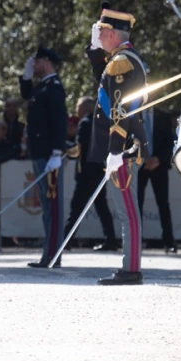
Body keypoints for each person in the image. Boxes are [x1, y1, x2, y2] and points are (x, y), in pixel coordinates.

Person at [86, 8, 148, 285]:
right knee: (126, 210)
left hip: (122, 149)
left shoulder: (121, 63)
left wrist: (114, 150)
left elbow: (121, 111)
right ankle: (129, 266)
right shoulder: (119, 59)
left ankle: (131, 269)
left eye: (100, 31)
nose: (97, 35)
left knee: (127, 212)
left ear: (111, 33)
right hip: (122, 147)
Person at [19, 46, 68, 268]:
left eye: (36, 62)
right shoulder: (43, 87)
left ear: (46, 61)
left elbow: (60, 122)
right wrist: (25, 77)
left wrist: (57, 152)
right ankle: (49, 254)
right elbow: (26, 95)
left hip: (50, 155)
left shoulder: (54, 88)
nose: (34, 65)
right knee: (47, 206)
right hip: (40, 153)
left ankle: (53, 255)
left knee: (53, 205)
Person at [63, 97, 119, 252]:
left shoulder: (84, 123)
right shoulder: (102, 122)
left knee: (76, 208)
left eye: (78, 107)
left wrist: (66, 150)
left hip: (86, 172)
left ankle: (65, 240)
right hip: (99, 170)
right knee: (102, 207)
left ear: (84, 109)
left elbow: (79, 148)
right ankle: (111, 239)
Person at [137, 108, 178, 254]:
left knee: (163, 204)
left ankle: (169, 242)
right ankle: (135, 241)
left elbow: (169, 142)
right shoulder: (135, 114)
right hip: (139, 166)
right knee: (137, 204)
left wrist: (158, 159)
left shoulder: (163, 116)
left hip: (158, 166)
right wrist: (142, 160)